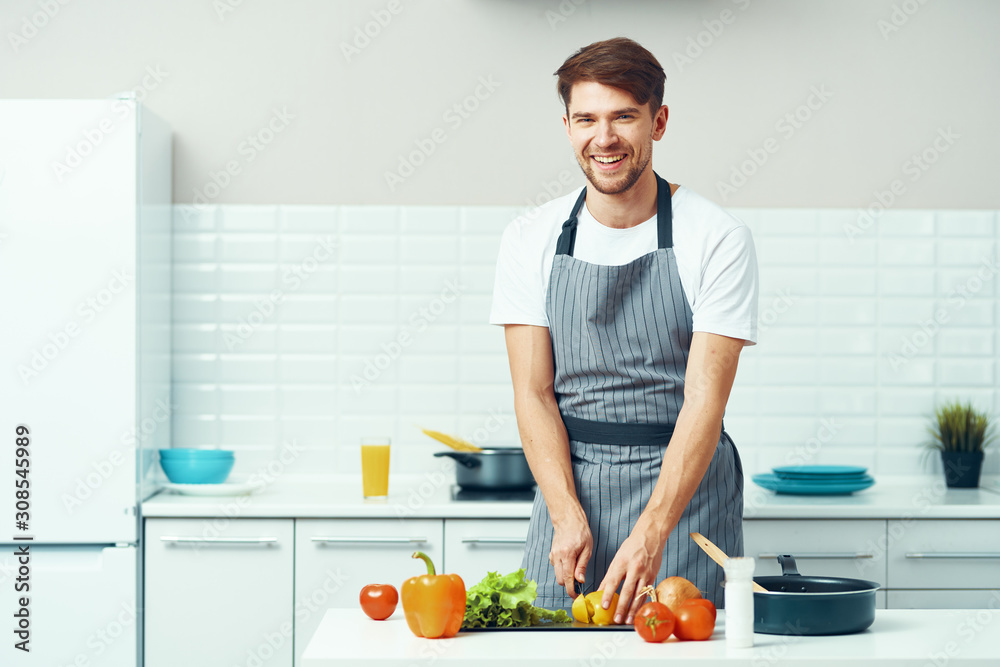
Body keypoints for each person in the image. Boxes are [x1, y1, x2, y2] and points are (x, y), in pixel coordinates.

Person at [489, 37, 759, 625]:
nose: (603, 138)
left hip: (686, 495)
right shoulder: (529, 238)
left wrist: (654, 528)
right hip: (571, 485)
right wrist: (565, 513)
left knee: (682, 649)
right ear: (566, 126)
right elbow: (532, 393)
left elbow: (704, 402)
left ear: (658, 122)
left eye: (623, 117)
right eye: (586, 118)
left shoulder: (717, 238)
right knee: (551, 645)